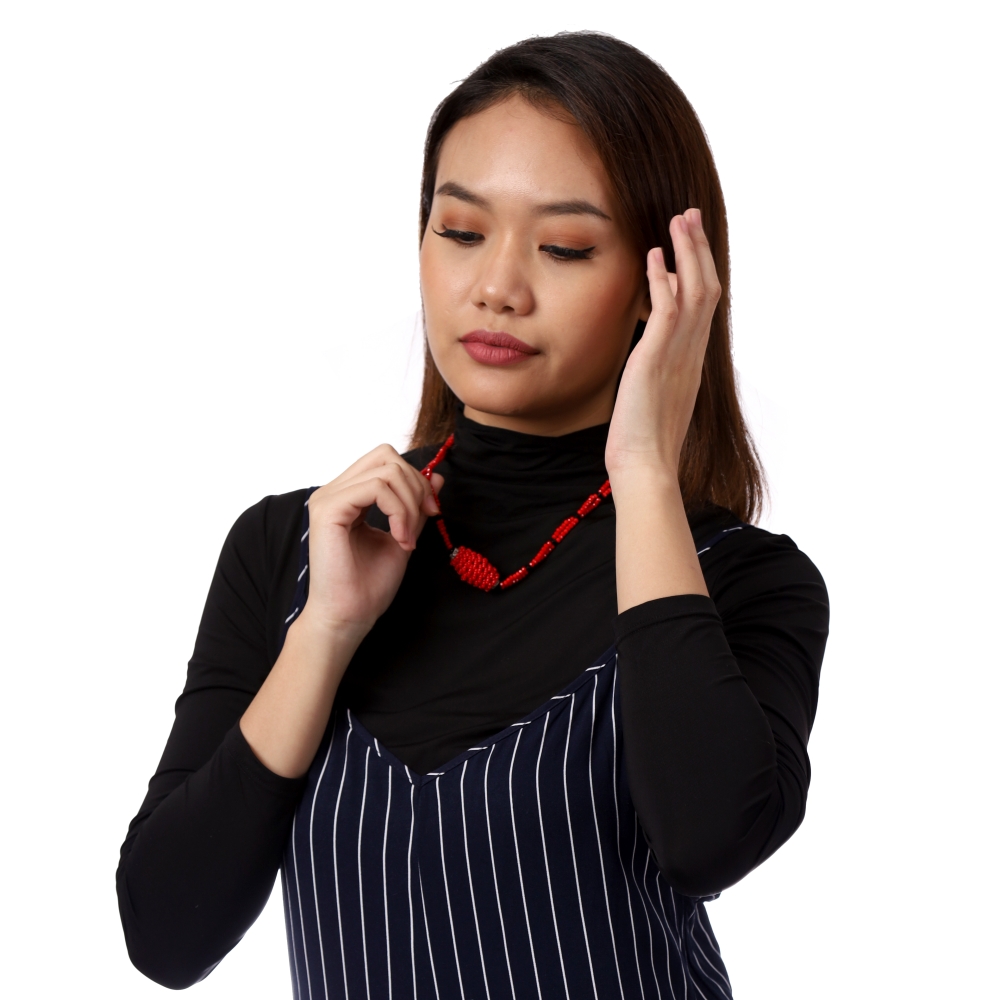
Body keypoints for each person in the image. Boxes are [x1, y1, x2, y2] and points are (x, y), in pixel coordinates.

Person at [117, 32, 829, 999]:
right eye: (459, 232)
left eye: (564, 247)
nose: (497, 287)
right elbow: (165, 934)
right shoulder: (293, 548)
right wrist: (323, 634)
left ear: (662, 285)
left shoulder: (739, 576)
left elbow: (711, 841)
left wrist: (645, 473)